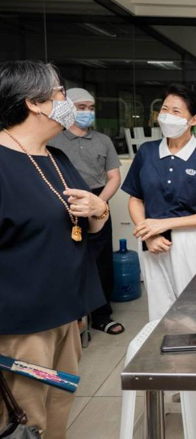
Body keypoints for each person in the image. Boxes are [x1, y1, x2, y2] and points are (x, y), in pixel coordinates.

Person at [0, 61, 108, 437]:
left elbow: (87, 220)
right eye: (61, 93)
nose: (68, 102)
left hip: (66, 314)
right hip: (24, 326)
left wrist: (100, 209)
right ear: (34, 102)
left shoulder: (56, 158)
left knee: (58, 409)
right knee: (26, 420)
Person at [122, 84, 196, 322]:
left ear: (194, 120)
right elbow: (135, 199)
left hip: (189, 242)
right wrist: (148, 234)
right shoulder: (146, 152)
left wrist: (164, 224)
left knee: (193, 309)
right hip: (151, 240)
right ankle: (167, 357)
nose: (168, 116)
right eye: (164, 109)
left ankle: (195, 355)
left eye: (176, 111)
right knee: (159, 311)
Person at [49, 88, 124, 336]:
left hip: (98, 202)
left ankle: (102, 316)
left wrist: (98, 205)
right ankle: (71, 320)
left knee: (101, 260)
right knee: (69, 261)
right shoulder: (53, 141)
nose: (87, 113)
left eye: (91, 108)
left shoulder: (103, 141)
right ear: (68, 107)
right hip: (65, 205)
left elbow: (114, 177)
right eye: (81, 107)